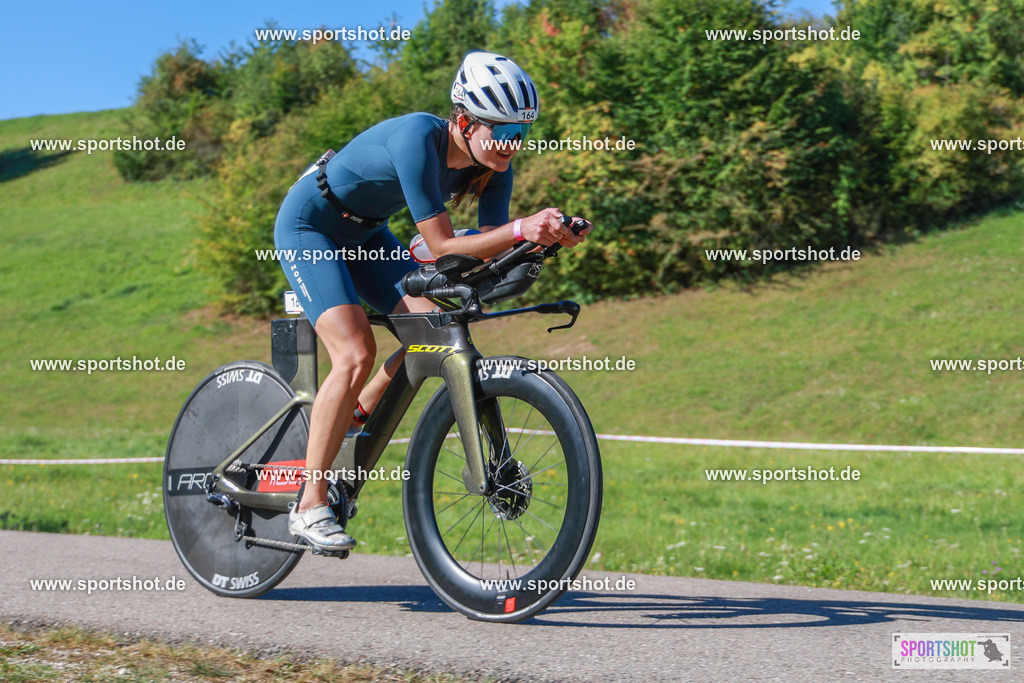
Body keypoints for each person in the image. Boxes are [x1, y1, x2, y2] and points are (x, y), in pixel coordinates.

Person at [273, 50, 592, 552]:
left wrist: (543, 237)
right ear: (464, 120)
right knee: (356, 351)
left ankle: (351, 414)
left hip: (368, 233)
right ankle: (310, 503)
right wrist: (520, 228)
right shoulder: (417, 137)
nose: (513, 144)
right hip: (310, 226)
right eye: (503, 131)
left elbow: (489, 245)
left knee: (433, 334)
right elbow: (443, 246)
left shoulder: (493, 165)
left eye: (521, 133)